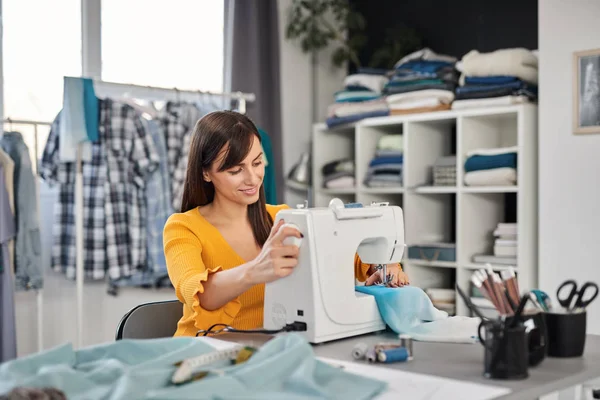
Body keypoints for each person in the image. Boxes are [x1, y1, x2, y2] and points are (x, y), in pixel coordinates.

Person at [163, 111, 410, 337]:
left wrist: (381, 267)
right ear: (206, 173)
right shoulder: (183, 227)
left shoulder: (283, 218)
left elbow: (348, 256)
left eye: (257, 163)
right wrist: (255, 270)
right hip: (205, 354)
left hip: (273, 351)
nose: (252, 178)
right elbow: (195, 291)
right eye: (236, 170)